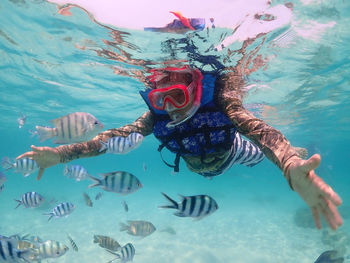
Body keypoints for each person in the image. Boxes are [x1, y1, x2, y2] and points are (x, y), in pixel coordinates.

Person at [17, 7, 342, 231]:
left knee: (255, 154)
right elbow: (110, 139)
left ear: (196, 87)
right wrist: (60, 153)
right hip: (196, 162)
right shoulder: (155, 116)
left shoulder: (223, 100)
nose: (171, 106)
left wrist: (287, 165)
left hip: (233, 153)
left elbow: (260, 132)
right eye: (162, 98)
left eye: (178, 95)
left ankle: (300, 152)